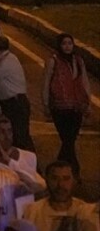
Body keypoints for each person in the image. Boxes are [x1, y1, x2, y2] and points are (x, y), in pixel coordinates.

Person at [42, 34, 90, 171]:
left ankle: (61, 168)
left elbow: (84, 81)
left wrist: (88, 101)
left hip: (77, 106)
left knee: (69, 141)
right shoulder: (53, 61)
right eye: (64, 43)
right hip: (59, 107)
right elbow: (46, 83)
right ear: (59, 45)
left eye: (70, 43)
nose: (67, 46)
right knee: (67, 140)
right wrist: (45, 104)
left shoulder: (78, 61)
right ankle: (73, 170)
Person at [0, 36, 33, 151]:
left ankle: (29, 164)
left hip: (15, 104)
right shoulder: (11, 58)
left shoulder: (6, 63)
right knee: (21, 135)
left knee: (19, 137)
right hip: (16, 103)